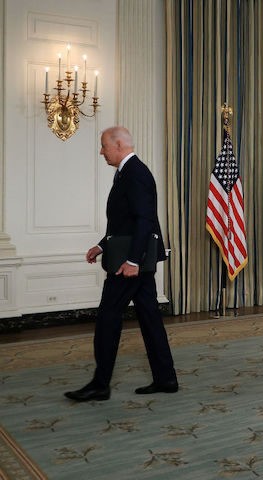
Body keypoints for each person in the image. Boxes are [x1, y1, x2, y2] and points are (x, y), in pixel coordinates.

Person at [64, 126, 178, 402]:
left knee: (107, 317)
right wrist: (102, 245)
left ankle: (100, 384)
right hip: (133, 259)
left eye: (103, 145)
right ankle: (166, 378)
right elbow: (125, 222)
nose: (101, 151)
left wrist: (132, 261)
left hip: (131, 264)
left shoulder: (135, 173)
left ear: (118, 144)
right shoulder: (126, 172)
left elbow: (144, 220)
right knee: (149, 317)